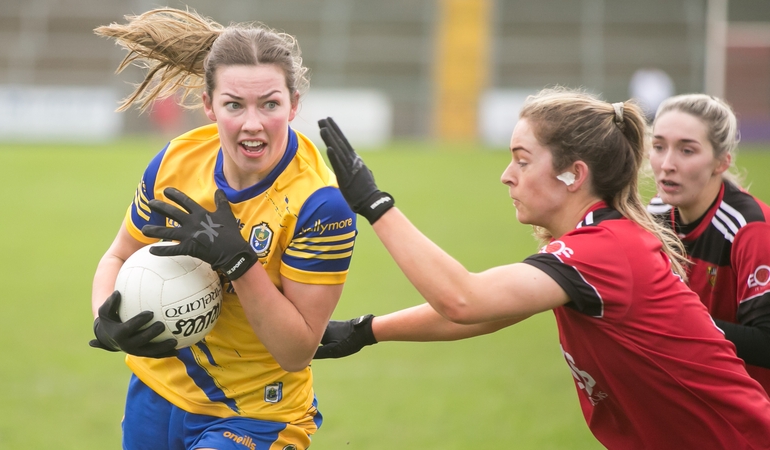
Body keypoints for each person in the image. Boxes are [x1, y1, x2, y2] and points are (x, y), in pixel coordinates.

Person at [313, 88, 770, 449]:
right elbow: (489, 310)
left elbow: (464, 298)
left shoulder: (606, 250)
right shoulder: (595, 243)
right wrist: (367, 329)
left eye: (522, 159)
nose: (506, 175)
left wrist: (375, 205)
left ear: (574, 173)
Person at [88, 8, 357, 450]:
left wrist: (238, 262)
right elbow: (118, 255)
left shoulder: (320, 205)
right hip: (157, 391)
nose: (252, 124)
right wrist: (105, 319)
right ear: (210, 106)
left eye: (270, 104)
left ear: (294, 105)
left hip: (257, 414)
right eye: (234, 105)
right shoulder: (177, 160)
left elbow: (296, 352)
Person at [647, 93, 770, 393]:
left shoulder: (750, 231)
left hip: (751, 412)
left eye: (687, 151)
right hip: (696, 401)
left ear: (721, 162)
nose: (666, 164)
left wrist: (679, 325)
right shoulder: (656, 214)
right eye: (659, 147)